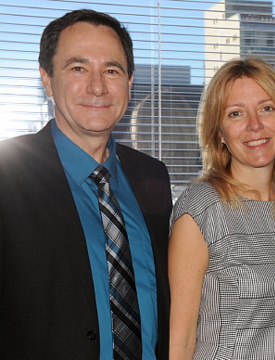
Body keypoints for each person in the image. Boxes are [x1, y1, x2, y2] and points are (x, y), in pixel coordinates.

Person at [0, 9, 172, 359]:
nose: (97, 86)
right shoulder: (7, 176)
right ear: (47, 80)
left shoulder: (152, 175)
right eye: (78, 68)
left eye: (112, 70)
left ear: (130, 82)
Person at [167, 57, 275, 360]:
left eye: (266, 108)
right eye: (236, 113)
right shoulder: (201, 210)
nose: (254, 125)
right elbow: (180, 341)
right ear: (220, 133)